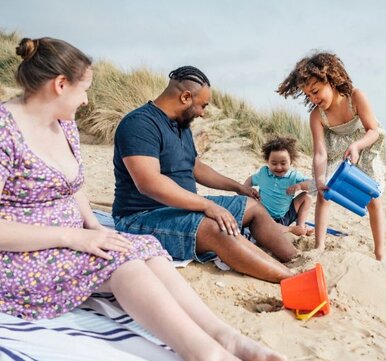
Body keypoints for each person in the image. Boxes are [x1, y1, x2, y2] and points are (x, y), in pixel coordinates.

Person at [0, 37, 285, 361]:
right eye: (84, 90)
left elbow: (73, 186)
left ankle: (226, 337)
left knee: (146, 250)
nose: (86, 101)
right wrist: (74, 235)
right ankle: (204, 353)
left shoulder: (63, 126)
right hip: (4, 255)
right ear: (61, 84)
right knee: (123, 264)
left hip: (66, 239)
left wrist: (95, 225)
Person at [112, 66, 297, 283]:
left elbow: (195, 167)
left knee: (252, 207)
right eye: (202, 105)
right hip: (142, 215)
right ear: (186, 97)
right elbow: (149, 182)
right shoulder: (139, 124)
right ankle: (290, 279)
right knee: (216, 227)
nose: (202, 112)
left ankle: (295, 259)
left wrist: (237, 187)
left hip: (182, 207)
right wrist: (206, 205)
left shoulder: (181, 127)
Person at [277, 52, 386, 261]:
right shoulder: (316, 116)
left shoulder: (355, 97)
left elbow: (372, 130)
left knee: (373, 197)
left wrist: (357, 146)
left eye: (316, 91)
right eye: (308, 95)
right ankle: (319, 245)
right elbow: (320, 152)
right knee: (323, 193)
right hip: (337, 148)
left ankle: (380, 253)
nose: (313, 99)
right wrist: (319, 179)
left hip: (364, 143)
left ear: (331, 80)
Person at [243, 137, 314, 237]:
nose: (279, 167)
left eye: (283, 163)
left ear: (291, 162)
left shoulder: (294, 176)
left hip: (285, 216)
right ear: (267, 161)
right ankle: (293, 229)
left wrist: (300, 185)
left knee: (306, 197)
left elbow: (313, 185)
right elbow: (251, 179)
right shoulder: (264, 173)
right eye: (274, 163)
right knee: (265, 227)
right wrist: (245, 189)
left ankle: (300, 227)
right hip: (264, 217)